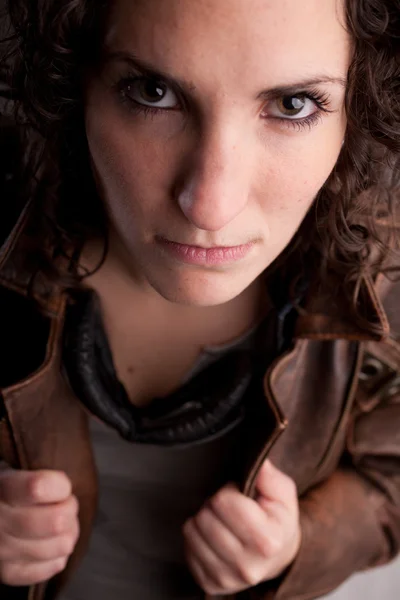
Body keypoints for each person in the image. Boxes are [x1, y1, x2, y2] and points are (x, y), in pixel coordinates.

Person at [0, 0, 399, 599]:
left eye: (292, 105)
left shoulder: (389, 276)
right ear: (75, 81)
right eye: (153, 92)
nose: (210, 204)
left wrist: (300, 543)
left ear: (359, 105)